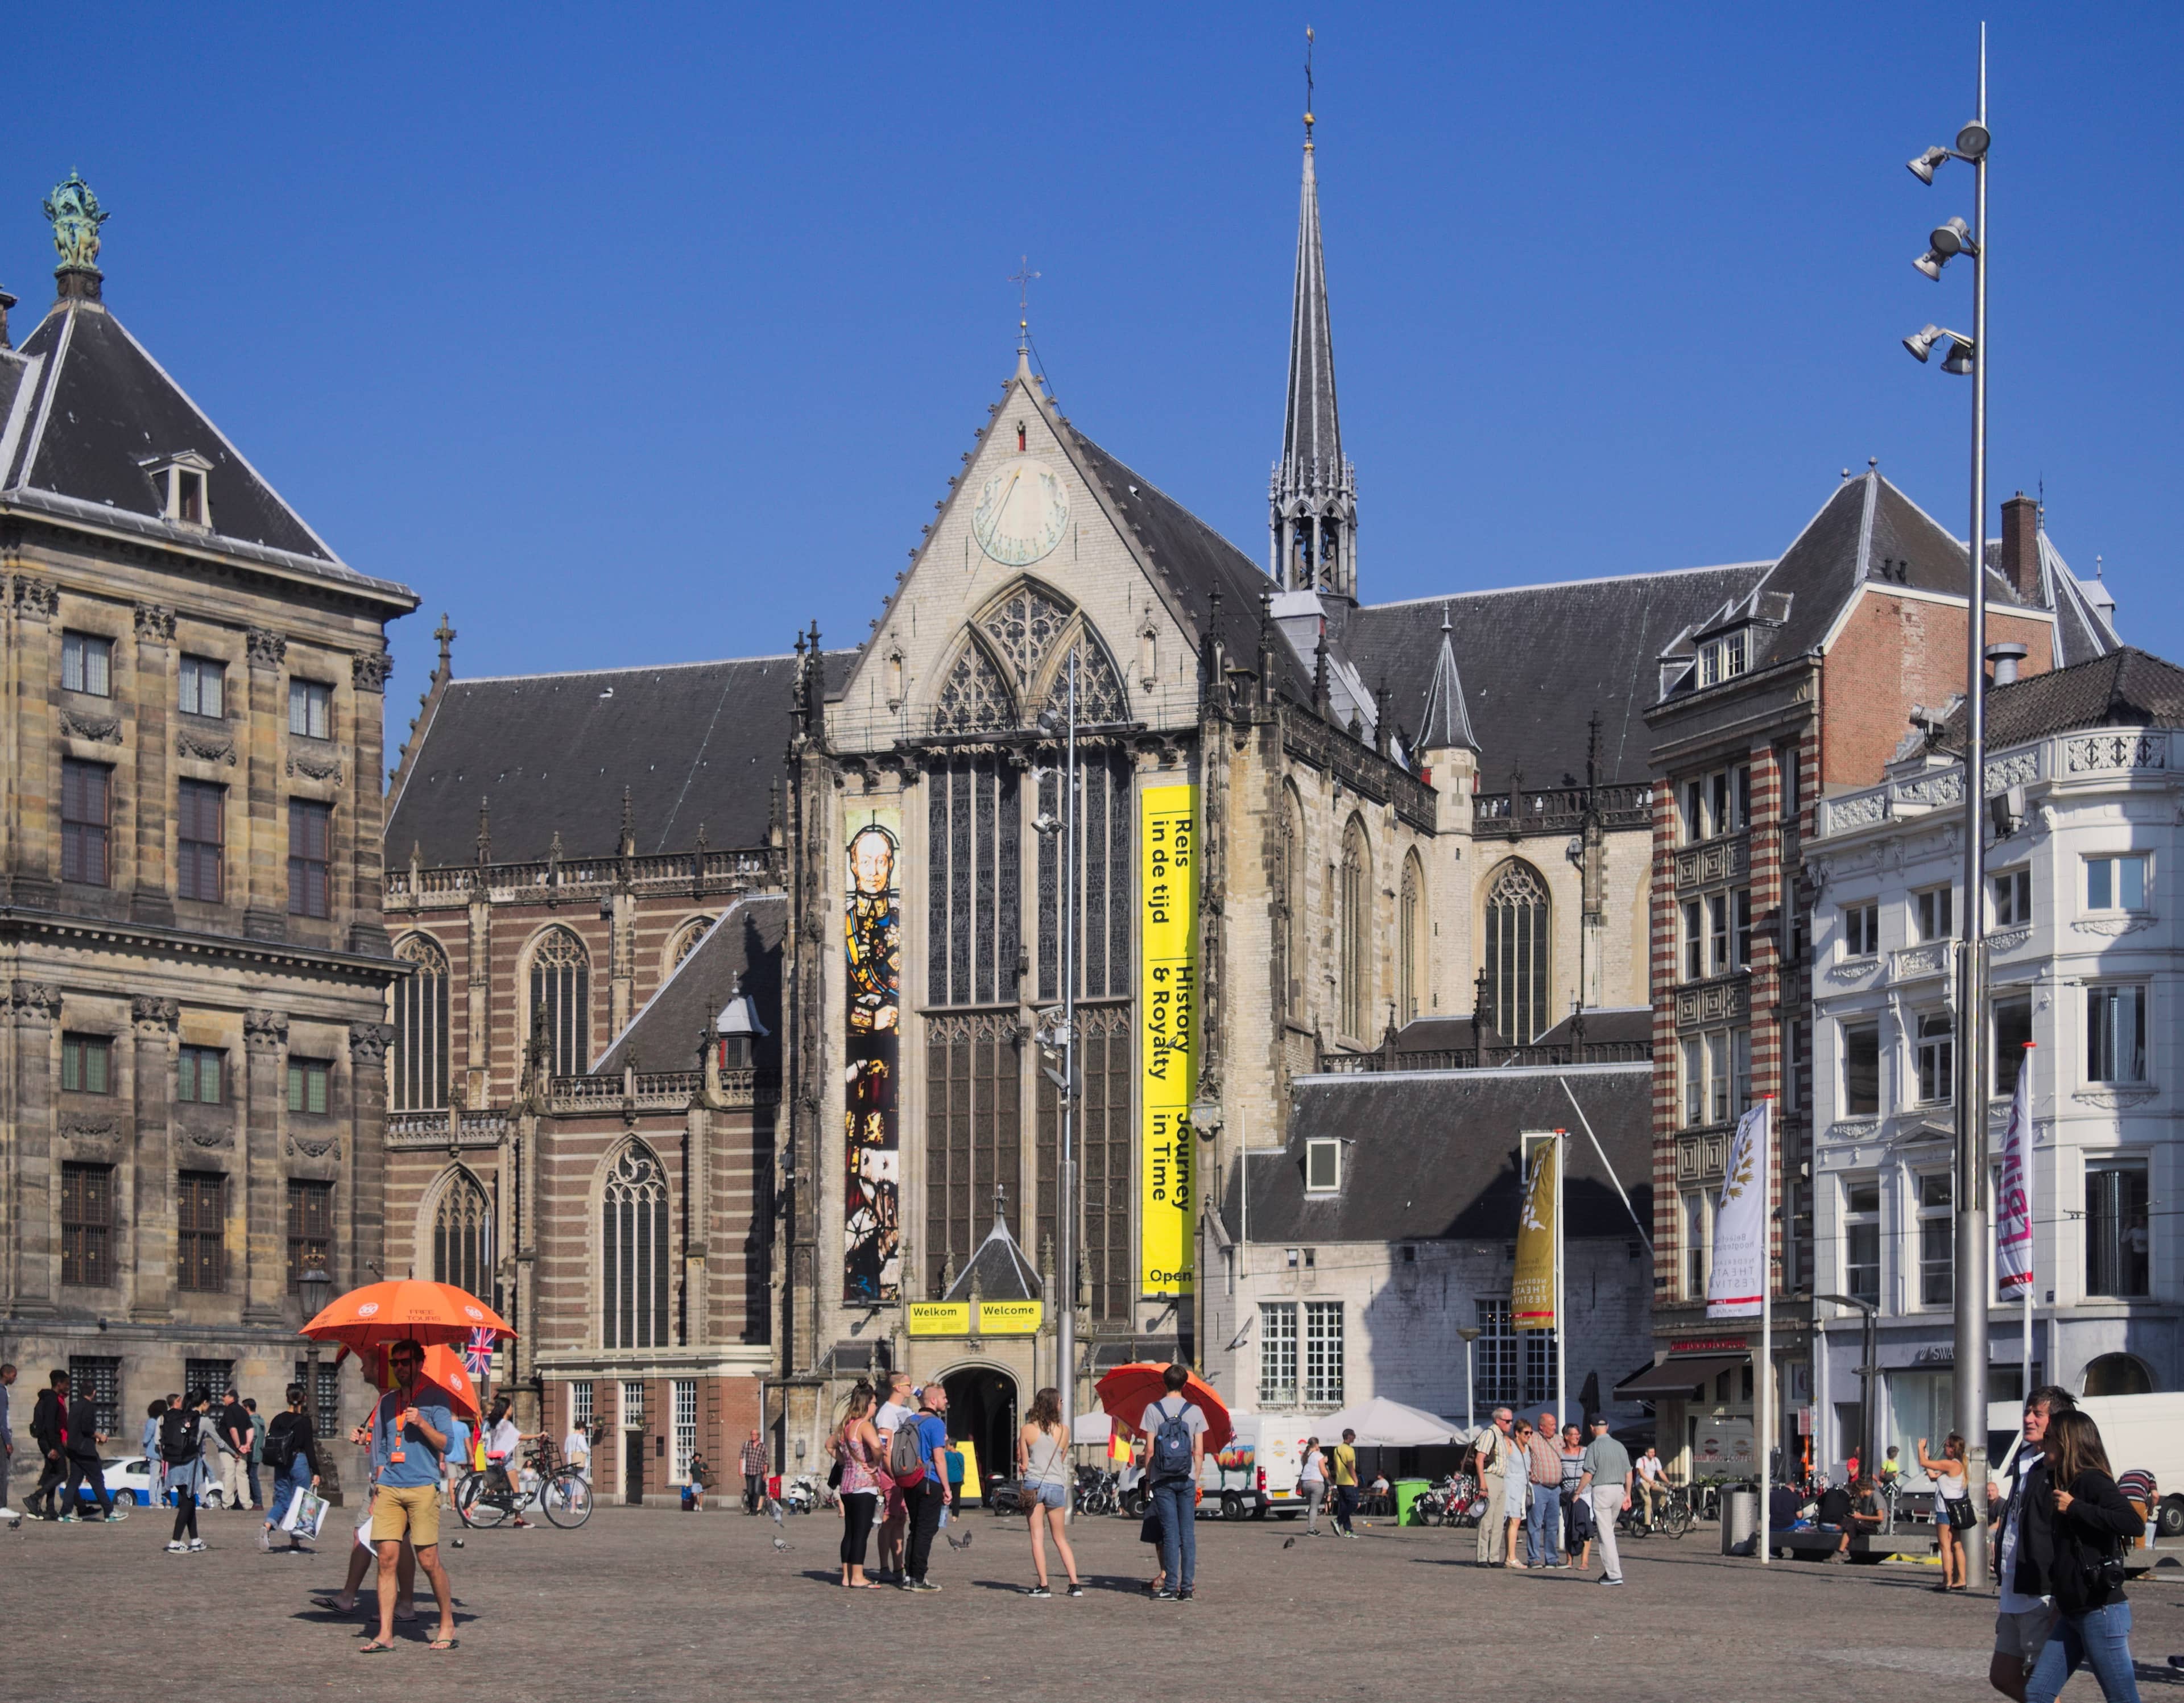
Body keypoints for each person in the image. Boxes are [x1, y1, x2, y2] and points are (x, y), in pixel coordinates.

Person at [2023, 1408, 2145, 1702]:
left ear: (2066, 1443)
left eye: (2048, 1438)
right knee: (2038, 1693)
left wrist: (2076, 1508)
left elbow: (2133, 1522)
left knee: (2123, 1699)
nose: (2043, 1444)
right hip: (2072, 1611)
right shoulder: (2062, 1484)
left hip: (2101, 1611)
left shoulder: (2091, 1481)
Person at [359, 1338, 460, 1654]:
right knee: (386, 1559)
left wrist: (422, 1423)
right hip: (390, 1486)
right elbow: (385, 1447)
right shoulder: (388, 1401)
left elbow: (448, 1444)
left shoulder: (436, 1399)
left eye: (405, 1362)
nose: (400, 1368)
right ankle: (385, 1633)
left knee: (428, 1560)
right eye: (395, 1363)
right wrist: (378, 1481)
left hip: (422, 1486)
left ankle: (447, 1623)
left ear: (419, 1363)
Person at [1990, 1386, 2077, 1703]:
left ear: (2056, 1421)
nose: (2028, 1419)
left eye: (2037, 1414)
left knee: (2040, 1683)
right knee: (2002, 1675)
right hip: (2014, 1588)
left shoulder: (2061, 1468)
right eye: (2027, 1411)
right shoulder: (2024, 1459)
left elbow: (2065, 1533)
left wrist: (2059, 1596)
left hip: (2041, 1592)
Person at [1143, 1363, 1207, 1602]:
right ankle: (1187, 1588)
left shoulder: (1153, 1409)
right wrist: (1195, 1478)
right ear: (1185, 1384)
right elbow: (1199, 1452)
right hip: (1186, 1478)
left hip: (1162, 1479)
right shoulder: (1196, 1411)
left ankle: (1171, 1587)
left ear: (1165, 1383)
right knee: (1187, 1535)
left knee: (1170, 1534)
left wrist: (1149, 1480)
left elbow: (1150, 1450)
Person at [1016, 1386, 1082, 1597]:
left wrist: (1025, 1466)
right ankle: (1074, 1583)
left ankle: (1044, 1585)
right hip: (1055, 1485)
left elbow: (1024, 1463)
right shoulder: (1064, 1431)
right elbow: (1059, 1460)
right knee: (1060, 1538)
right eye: (1060, 1401)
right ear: (1055, 1404)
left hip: (1034, 1484)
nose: (1062, 1404)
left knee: (1037, 1537)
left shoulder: (1027, 1429)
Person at [899, 1383, 952, 1593]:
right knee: (926, 1530)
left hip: (910, 1479)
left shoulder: (910, 1420)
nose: (946, 1401)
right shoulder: (936, 1424)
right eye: (944, 1397)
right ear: (933, 1401)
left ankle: (910, 1575)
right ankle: (919, 1578)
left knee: (915, 1528)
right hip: (929, 1481)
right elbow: (939, 1459)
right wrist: (947, 1488)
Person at [262, 1384, 323, 1551]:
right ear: (304, 1399)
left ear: (287, 1398)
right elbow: (310, 1447)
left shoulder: (277, 1419)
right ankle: (295, 1543)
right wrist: (316, 1472)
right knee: (300, 1502)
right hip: (299, 1461)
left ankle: (267, 1525)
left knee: (282, 1498)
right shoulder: (304, 1422)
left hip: (281, 1462)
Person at [832, 1386, 883, 1588]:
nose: (876, 1407)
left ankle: (846, 1576)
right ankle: (858, 1577)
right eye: (874, 1403)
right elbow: (877, 1447)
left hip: (847, 1485)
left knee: (850, 1533)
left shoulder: (846, 1426)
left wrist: (844, 1462)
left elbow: (829, 1445)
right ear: (867, 1404)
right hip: (864, 1486)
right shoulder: (865, 1426)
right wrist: (875, 1463)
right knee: (862, 1533)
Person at [1577, 1415, 1632, 1586]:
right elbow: (1628, 1472)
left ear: (1592, 1428)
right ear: (1607, 1427)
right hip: (1619, 1490)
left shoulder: (1593, 1447)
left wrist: (1577, 1492)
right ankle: (1611, 1570)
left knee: (1605, 1534)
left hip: (1602, 1490)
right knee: (1609, 1532)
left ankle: (1614, 1574)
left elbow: (1589, 1473)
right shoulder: (1619, 1446)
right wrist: (1628, 1494)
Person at [872, 1371, 916, 1582]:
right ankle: (884, 1566)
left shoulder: (907, 1410)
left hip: (906, 1471)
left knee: (901, 1519)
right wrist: (894, 1473)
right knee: (889, 1519)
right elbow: (885, 1448)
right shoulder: (886, 1413)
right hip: (892, 1473)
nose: (912, 1388)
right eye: (909, 1384)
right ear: (898, 1387)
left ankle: (900, 1567)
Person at [1921, 1433, 1972, 1592]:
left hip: (1945, 1510)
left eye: (1946, 1445)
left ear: (1952, 1448)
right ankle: (1961, 1580)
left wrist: (1920, 1449)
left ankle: (1947, 1580)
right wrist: (1927, 1459)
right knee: (1956, 1544)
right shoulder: (1958, 1465)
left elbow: (1923, 1462)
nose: (1944, 1448)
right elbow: (1933, 1477)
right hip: (1956, 1510)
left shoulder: (1951, 1465)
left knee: (1945, 1546)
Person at [161, 1391, 210, 1553]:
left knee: (188, 1502)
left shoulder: (170, 1418)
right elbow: (217, 1440)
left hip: (174, 1460)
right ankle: (175, 1541)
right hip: (189, 1462)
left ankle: (195, 1539)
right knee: (188, 1503)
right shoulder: (195, 1419)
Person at [64, 1377, 115, 1521]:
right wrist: (99, 1436)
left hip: (74, 1448)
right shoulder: (87, 1406)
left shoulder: (75, 1405)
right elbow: (86, 1428)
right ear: (94, 1392)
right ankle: (109, 1511)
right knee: (97, 1479)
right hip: (84, 1450)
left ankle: (66, 1511)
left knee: (74, 1480)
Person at [28, 1370, 72, 1520]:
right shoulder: (52, 1400)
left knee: (53, 1473)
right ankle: (35, 1498)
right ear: (58, 1384)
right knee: (62, 1474)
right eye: (66, 1384)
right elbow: (49, 1426)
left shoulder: (46, 1398)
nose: (68, 1387)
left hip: (48, 1441)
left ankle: (51, 1508)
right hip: (53, 1442)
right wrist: (52, 1448)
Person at [1474, 1407, 1512, 1566]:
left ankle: (1494, 1557)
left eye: (1511, 1421)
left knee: (1498, 1521)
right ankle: (1482, 1556)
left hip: (1501, 1479)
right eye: (1507, 1421)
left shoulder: (1502, 1437)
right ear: (1498, 1421)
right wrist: (1483, 1483)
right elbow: (1479, 1459)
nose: (1510, 1424)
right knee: (1487, 1520)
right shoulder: (1489, 1434)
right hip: (1489, 1478)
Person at [1526, 1410, 1564, 1568]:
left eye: (1555, 1424)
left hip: (1556, 1489)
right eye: (1552, 1425)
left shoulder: (1559, 1441)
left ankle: (1551, 1558)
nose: (1555, 1427)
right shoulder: (1532, 1438)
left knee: (1553, 1525)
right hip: (1539, 1487)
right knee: (1535, 1525)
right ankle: (1534, 1558)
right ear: (1542, 1427)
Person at [1503, 1419, 1534, 1571]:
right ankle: (1511, 1557)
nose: (1529, 1436)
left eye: (1531, 1433)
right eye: (1526, 1433)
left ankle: (1509, 1556)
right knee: (1513, 1521)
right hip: (1511, 1486)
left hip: (1523, 1487)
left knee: (1514, 1522)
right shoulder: (1510, 1445)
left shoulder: (1527, 1448)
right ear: (1517, 1433)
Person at [217, 1388, 253, 1513]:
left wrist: (237, 1446)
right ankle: (246, 1503)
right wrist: (247, 1444)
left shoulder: (229, 1410)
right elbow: (250, 1429)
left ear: (231, 1397)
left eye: (224, 1396)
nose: (222, 1398)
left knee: (229, 1474)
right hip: (243, 1449)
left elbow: (232, 1429)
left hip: (229, 1448)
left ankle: (227, 1503)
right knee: (242, 1475)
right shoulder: (243, 1411)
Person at [1558, 1423, 1588, 1565]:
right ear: (1566, 1436)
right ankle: (1569, 1560)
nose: (1577, 1437)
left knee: (1586, 1525)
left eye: (1579, 1434)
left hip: (1585, 1494)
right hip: (1567, 1494)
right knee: (1568, 1525)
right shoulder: (1560, 1454)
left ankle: (1584, 1561)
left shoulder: (1586, 1452)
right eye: (1574, 1435)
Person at [1331, 1428, 1360, 1539]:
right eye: (1354, 1435)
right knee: (1353, 1504)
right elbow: (1350, 1467)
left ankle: (1348, 1530)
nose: (1355, 1437)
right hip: (1348, 1481)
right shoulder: (1350, 1450)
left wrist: (1336, 1477)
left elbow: (1335, 1465)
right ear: (1349, 1436)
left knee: (1344, 1505)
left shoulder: (1337, 1449)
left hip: (1340, 1481)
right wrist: (1356, 1480)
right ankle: (1338, 1520)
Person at [1298, 1436, 1327, 1535]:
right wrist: (1331, 1479)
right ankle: (1311, 1529)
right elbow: (1323, 1471)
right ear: (1316, 1445)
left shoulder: (1304, 1455)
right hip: (1316, 1483)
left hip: (1305, 1483)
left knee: (1312, 1506)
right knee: (1314, 1507)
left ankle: (1311, 1525)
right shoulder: (1319, 1455)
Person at [1635, 1445, 1669, 1526]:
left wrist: (1668, 1482)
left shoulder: (1656, 1460)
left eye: (1654, 1452)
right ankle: (1648, 1523)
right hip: (1642, 1483)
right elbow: (1642, 1473)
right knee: (1648, 1501)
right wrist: (1649, 1481)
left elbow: (1661, 1473)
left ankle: (1659, 1508)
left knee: (1665, 1490)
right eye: (1651, 1453)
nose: (1653, 1454)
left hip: (1652, 1482)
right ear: (1646, 1453)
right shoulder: (1641, 1460)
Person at [243, 1397, 267, 1512]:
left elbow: (253, 1438)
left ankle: (257, 1502)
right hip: (259, 1453)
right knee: (251, 1476)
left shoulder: (252, 1422)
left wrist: (246, 1448)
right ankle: (255, 1501)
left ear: (247, 1408)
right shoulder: (260, 1421)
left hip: (253, 1454)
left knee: (252, 1477)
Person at [740, 1426, 768, 1515]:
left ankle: (755, 1509)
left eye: (754, 1435)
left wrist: (765, 1473)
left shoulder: (763, 1447)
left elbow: (766, 1461)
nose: (752, 1436)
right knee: (750, 1491)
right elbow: (741, 1457)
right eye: (751, 1434)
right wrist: (740, 1470)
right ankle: (751, 1507)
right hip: (749, 1471)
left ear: (758, 1436)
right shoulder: (746, 1445)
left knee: (757, 1491)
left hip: (758, 1472)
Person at [0, 1362, 16, 1519]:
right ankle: (1, 1505)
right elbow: (2, 1420)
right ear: (6, 1374)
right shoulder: (2, 1392)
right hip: (2, 1436)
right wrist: (8, 1441)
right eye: (13, 1375)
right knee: (2, 1472)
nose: (15, 1378)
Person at [561, 1416, 593, 1480]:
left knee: (573, 1485)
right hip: (580, 1464)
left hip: (571, 1464)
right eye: (584, 1430)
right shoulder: (580, 1437)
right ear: (581, 1428)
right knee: (581, 1485)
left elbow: (566, 1450)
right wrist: (589, 1449)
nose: (584, 1432)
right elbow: (585, 1450)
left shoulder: (569, 1437)